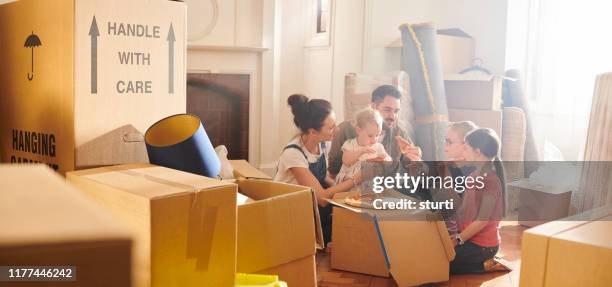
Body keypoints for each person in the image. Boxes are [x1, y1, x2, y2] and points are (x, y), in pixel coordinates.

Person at [274, 94, 360, 245]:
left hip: (310, 199)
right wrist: (354, 180)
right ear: (313, 131)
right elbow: (321, 200)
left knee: (350, 212)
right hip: (291, 209)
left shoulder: (321, 143)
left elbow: (323, 176)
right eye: (331, 127)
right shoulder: (293, 154)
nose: (337, 129)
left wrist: (345, 192)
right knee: (343, 224)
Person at [328, 85, 421, 178]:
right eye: (387, 110)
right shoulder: (345, 129)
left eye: (396, 111)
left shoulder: (400, 134)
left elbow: (418, 172)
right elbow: (333, 171)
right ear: (373, 106)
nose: (392, 116)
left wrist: (417, 160)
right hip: (350, 189)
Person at [450, 128, 508, 274]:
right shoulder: (473, 176)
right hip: (468, 238)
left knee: (439, 264)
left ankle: (486, 264)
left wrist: (457, 240)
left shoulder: (491, 182)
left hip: (483, 247)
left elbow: (482, 220)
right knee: (435, 254)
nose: (463, 152)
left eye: (466, 148)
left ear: (477, 152)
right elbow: (464, 210)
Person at [335, 108, 391, 185]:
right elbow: (346, 161)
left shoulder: (378, 147)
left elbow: (389, 162)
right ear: (359, 131)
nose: (374, 140)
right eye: (370, 135)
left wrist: (383, 160)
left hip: (369, 185)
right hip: (348, 184)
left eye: (378, 135)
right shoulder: (350, 144)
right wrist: (361, 151)